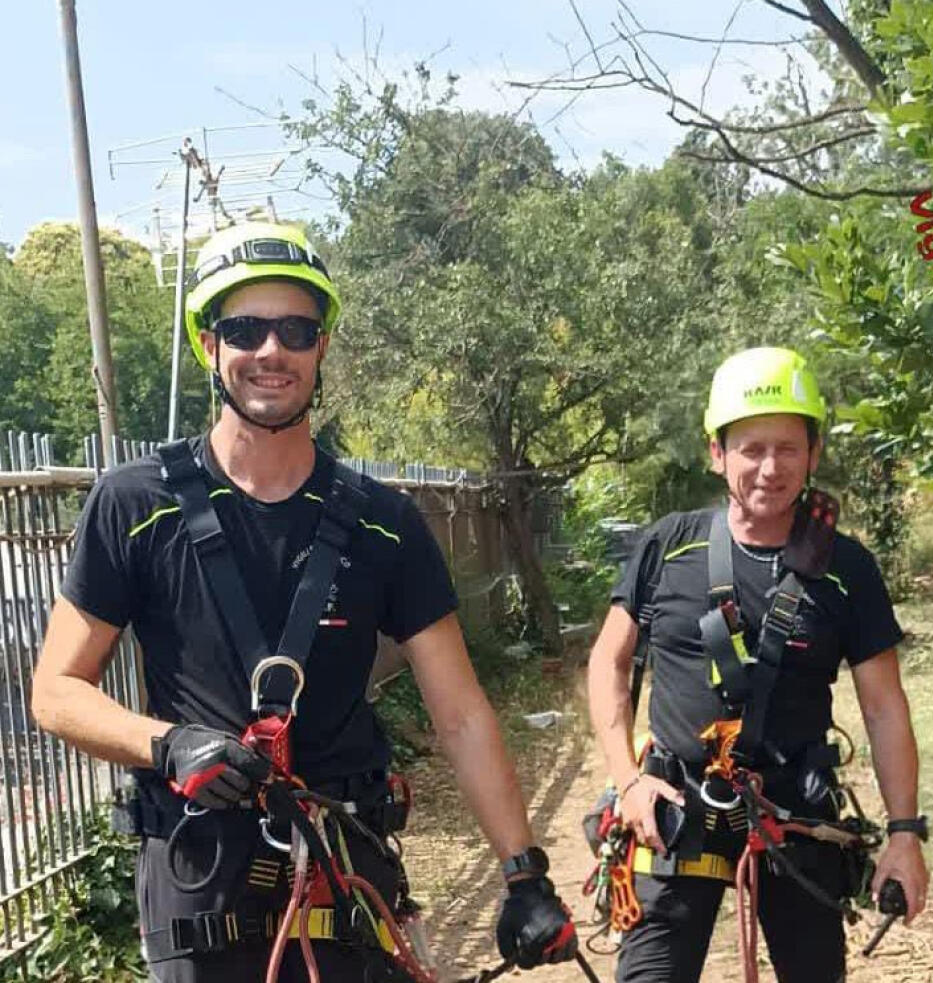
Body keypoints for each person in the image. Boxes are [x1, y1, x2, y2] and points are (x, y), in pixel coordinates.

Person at [32, 221, 577, 982]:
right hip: (200, 888)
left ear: (322, 346)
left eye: (296, 328)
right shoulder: (134, 504)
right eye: (245, 328)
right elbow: (56, 690)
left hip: (344, 875)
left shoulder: (384, 520)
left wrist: (525, 875)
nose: (271, 350)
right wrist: (169, 744)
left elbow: (460, 711)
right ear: (209, 344)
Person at [586, 347, 929, 982]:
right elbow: (608, 661)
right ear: (717, 454)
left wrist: (905, 834)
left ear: (814, 454)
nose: (770, 468)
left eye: (788, 448)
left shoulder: (847, 569)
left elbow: (883, 707)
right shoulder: (668, 546)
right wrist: (628, 782)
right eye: (750, 449)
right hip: (676, 807)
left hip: (794, 811)